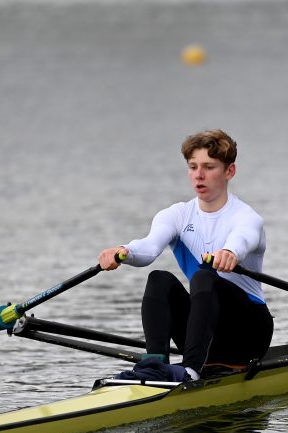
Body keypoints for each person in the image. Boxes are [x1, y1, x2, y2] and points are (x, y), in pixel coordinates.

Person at [98, 129, 273, 379]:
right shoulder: (177, 215)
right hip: (205, 333)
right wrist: (124, 251)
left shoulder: (246, 217)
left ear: (229, 171)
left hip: (247, 334)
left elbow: (243, 238)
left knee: (203, 277)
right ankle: (155, 365)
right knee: (159, 279)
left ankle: (190, 370)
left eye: (209, 167)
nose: (199, 175)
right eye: (193, 167)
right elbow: (149, 248)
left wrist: (230, 252)